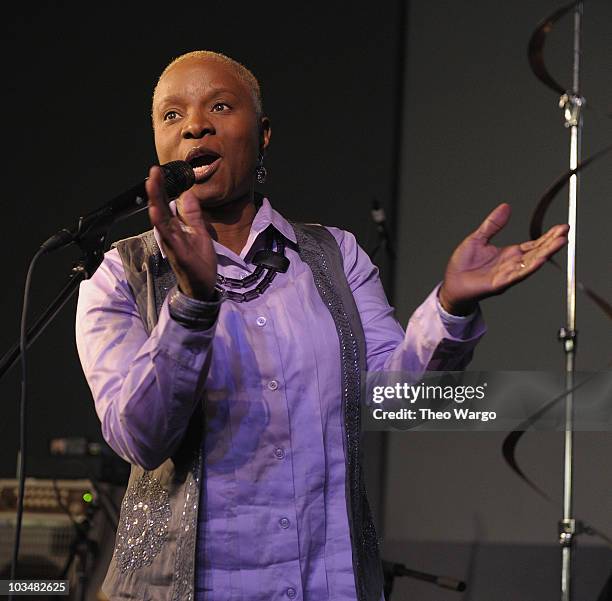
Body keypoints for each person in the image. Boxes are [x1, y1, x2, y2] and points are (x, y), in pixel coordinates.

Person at [75, 50, 569, 601]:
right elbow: (139, 437)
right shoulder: (121, 273)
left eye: (219, 105)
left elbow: (400, 406)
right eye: (172, 116)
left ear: (262, 135)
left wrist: (451, 305)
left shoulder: (336, 257)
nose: (195, 124)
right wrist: (191, 305)